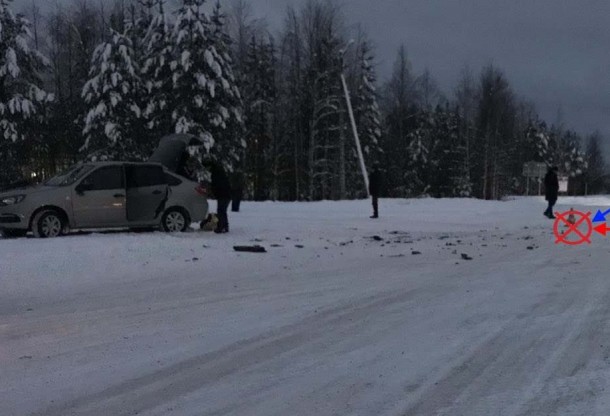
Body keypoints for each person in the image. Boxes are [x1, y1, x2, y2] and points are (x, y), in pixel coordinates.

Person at [202, 159, 231, 233]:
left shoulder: (215, 173)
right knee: (223, 211)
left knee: (221, 211)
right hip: (226, 193)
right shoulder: (218, 171)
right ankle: (225, 226)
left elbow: (216, 184)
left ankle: (221, 227)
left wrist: (214, 192)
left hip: (223, 194)